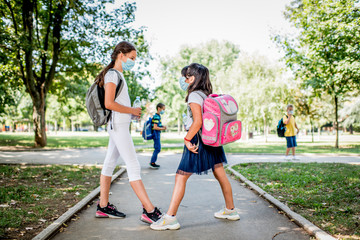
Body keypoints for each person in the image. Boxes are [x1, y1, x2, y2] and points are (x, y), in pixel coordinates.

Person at [150, 63, 240, 231]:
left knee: (180, 176)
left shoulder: (193, 96)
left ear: (194, 78)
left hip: (197, 140)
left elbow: (197, 121)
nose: (184, 79)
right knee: (220, 173)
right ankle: (231, 210)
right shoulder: (207, 95)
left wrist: (187, 139)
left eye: (186, 76)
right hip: (212, 140)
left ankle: (170, 218)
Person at [95, 41, 162, 224]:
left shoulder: (117, 75)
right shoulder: (112, 74)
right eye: (131, 58)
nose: (133, 61)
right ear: (121, 55)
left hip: (120, 125)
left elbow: (117, 106)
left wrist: (131, 114)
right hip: (117, 127)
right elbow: (109, 104)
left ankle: (103, 206)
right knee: (133, 166)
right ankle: (149, 211)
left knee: (109, 163)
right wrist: (131, 111)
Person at [150, 103, 167, 169]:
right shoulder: (156, 116)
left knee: (157, 148)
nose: (163, 111)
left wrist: (162, 126)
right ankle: (152, 162)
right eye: (163, 109)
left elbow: (157, 125)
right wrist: (163, 128)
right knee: (157, 148)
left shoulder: (158, 116)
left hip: (157, 134)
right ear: (159, 108)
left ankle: (152, 162)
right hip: (156, 134)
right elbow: (155, 127)